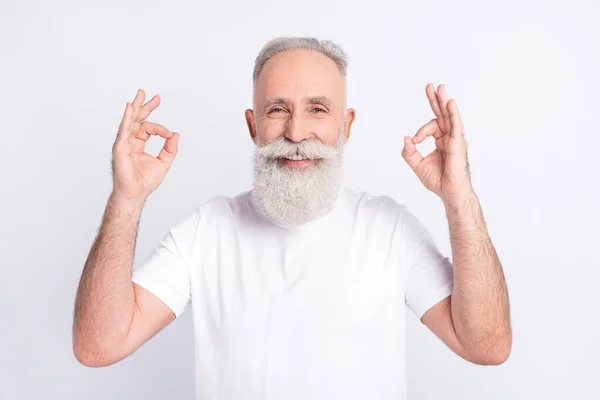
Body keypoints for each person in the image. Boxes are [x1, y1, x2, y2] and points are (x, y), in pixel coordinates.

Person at [72, 36, 511, 399]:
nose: (297, 133)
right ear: (253, 126)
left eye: (318, 109)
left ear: (346, 125)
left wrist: (459, 197)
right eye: (277, 109)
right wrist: (126, 198)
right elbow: (98, 346)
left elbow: (486, 345)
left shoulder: (387, 228)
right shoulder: (208, 231)